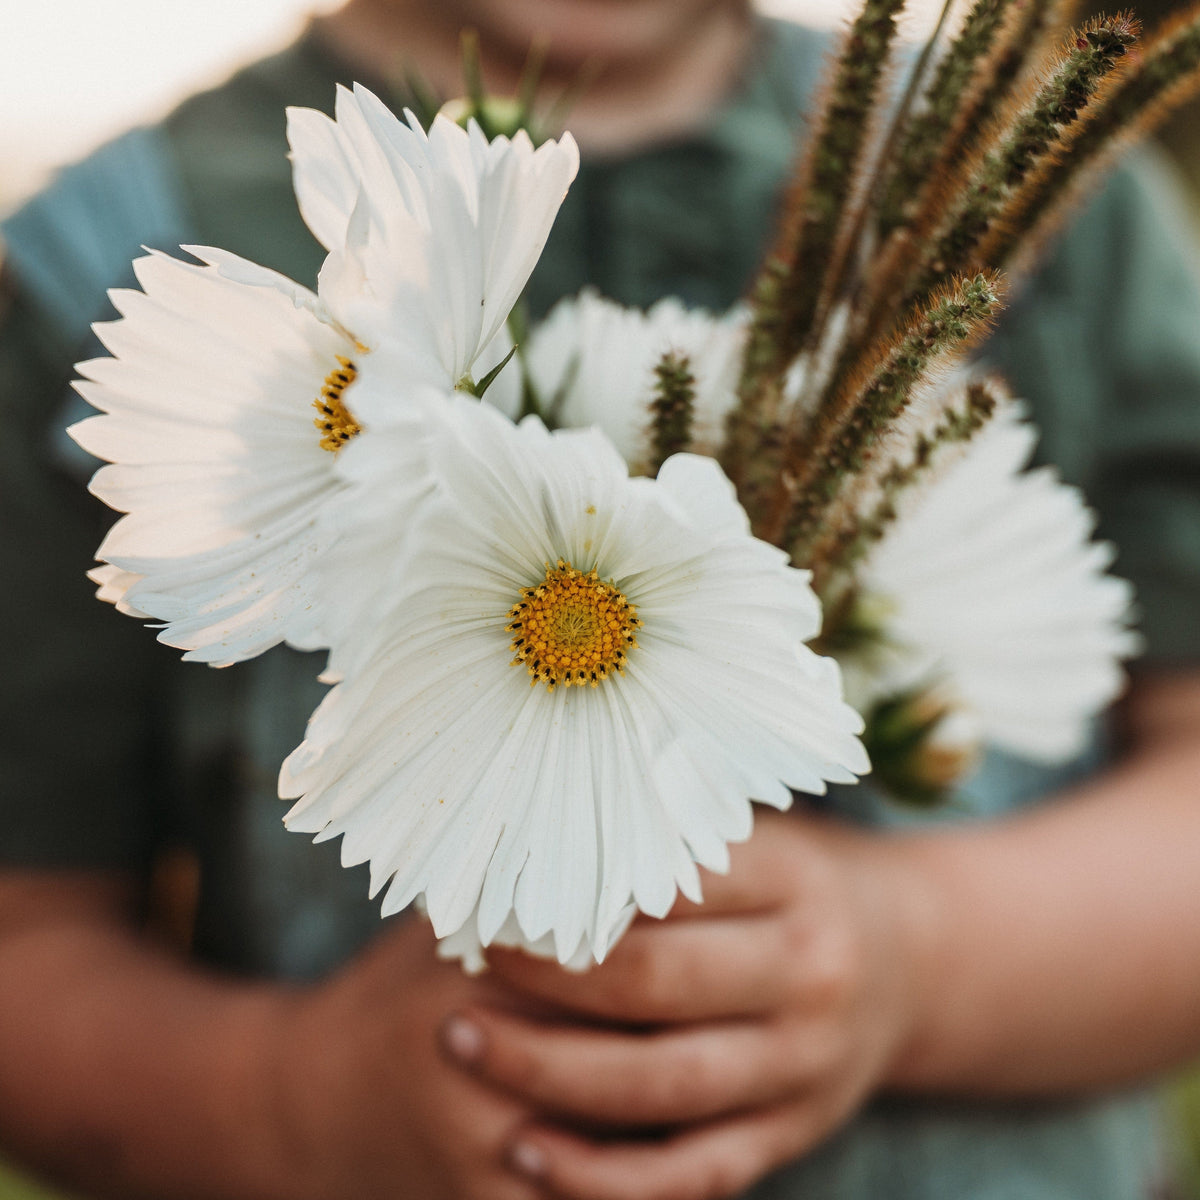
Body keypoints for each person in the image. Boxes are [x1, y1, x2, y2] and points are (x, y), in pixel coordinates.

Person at [1, 0, 1200, 1197]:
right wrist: (295, 1105)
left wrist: (912, 960)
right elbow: (29, 942)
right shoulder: (86, 277)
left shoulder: (1050, 202)